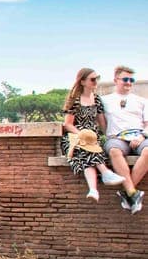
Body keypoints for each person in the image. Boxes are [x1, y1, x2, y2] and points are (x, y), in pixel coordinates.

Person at [60, 68, 126, 202]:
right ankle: (105, 172)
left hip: (93, 138)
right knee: (85, 149)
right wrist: (82, 134)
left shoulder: (96, 99)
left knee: (88, 153)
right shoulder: (75, 100)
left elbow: (102, 122)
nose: (96, 81)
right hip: (75, 137)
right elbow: (68, 124)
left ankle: (93, 190)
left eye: (97, 78)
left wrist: (109, 136)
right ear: (82, 81)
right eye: (92, 79)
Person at [102, 65, 147, 213]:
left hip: (139, 136)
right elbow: (101, 122)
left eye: (131, 80)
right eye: (125, 79)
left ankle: (128, 193)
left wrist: (141, 136)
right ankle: (132, 193)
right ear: (116, 80)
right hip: (117, 138)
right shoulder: (104, 100)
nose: (129, 82)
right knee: (114, 150)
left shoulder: (142, 101)